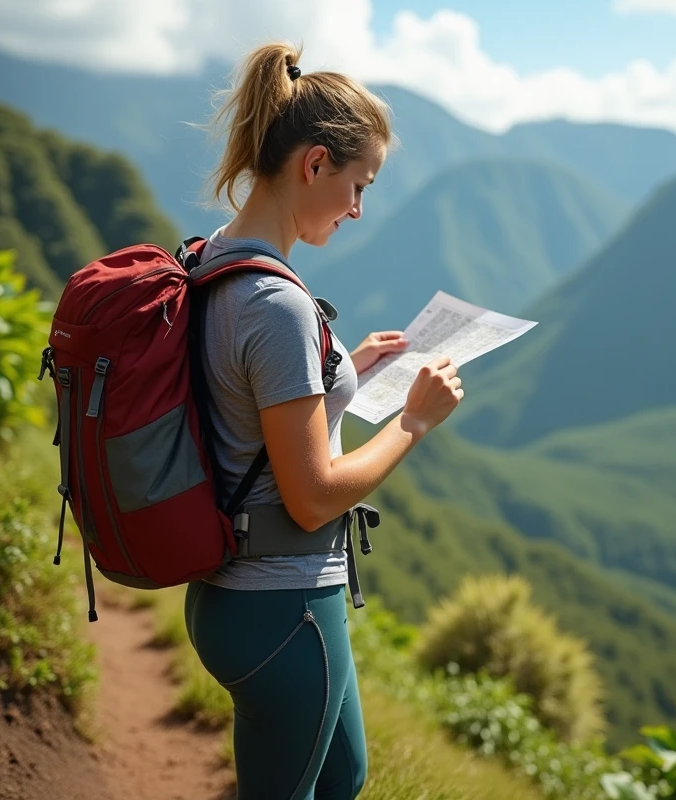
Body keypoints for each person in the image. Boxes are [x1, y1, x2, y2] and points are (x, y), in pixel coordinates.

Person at [182, 42, 463, 799]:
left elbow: (241, 392)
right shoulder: (275, 305)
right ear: (314, 164)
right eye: (357, 184)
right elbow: (311, 495)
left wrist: (345, 367)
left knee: (344, 776)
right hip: (282, 607)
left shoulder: (214, 261)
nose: (359, 208)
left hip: (237, 594)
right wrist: (413, 421)